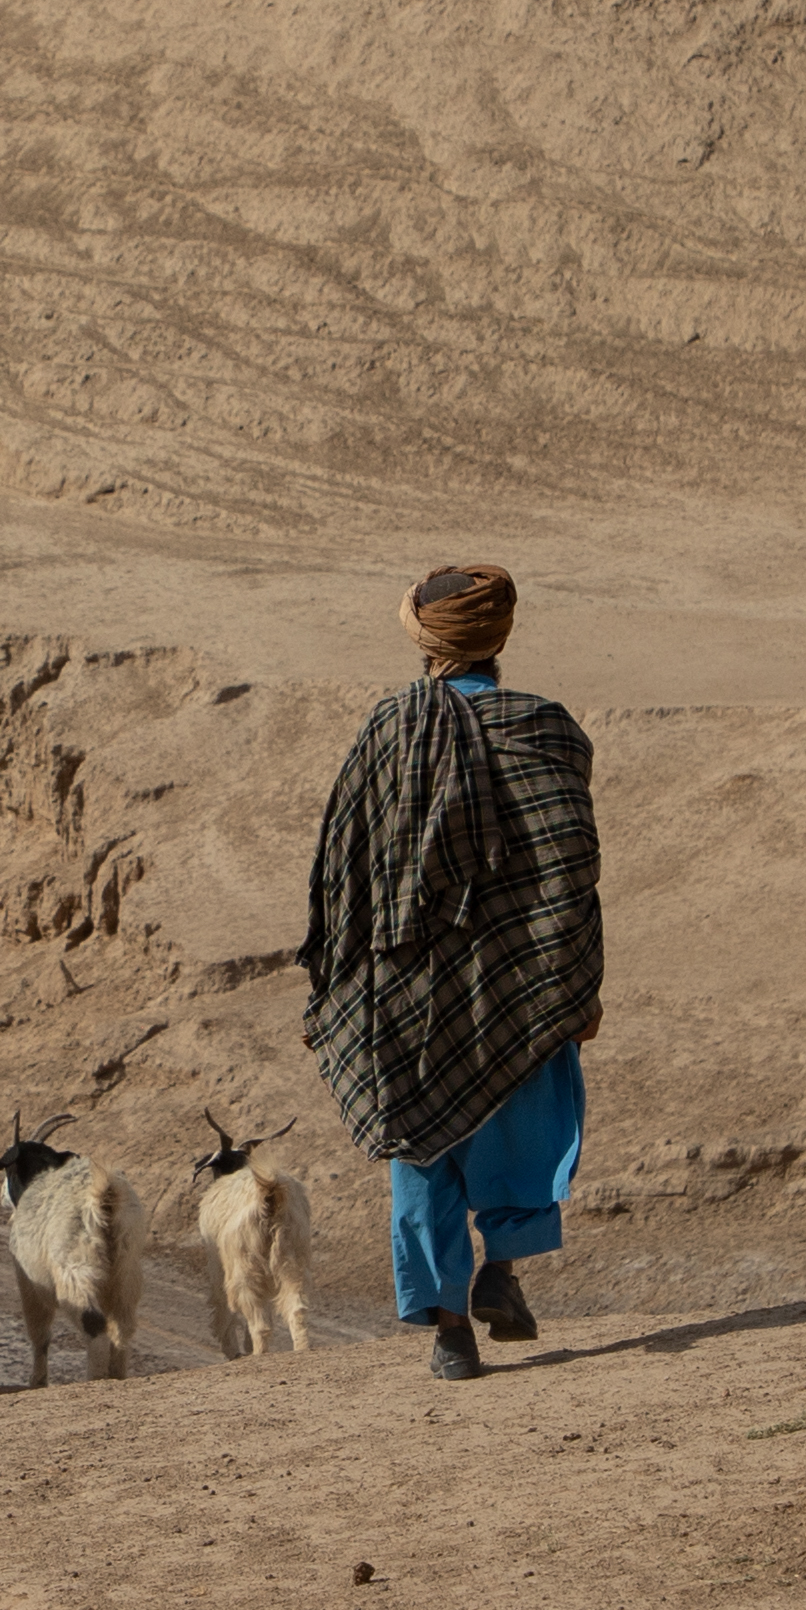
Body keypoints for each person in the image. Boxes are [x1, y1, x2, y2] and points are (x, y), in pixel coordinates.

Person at [296, 560, 600, 1381]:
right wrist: (576, 981)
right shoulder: (548, 730)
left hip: (409, 986)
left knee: (423, 1143)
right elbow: (571, 868)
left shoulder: (390, 729)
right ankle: (502, 1268)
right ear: (498, 639)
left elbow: (346, 862)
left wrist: (348, 972)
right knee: (519, 1119)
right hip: (518, 979)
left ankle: (450, 1332)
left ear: (426, 641)